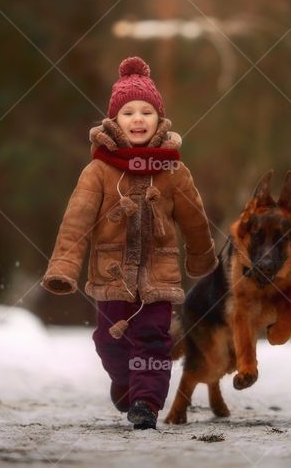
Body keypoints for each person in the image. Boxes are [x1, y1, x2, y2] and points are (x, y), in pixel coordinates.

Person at [42, 56, 218, 430]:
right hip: (111, 277)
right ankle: (125, 384)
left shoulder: (173, 170)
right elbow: (76, 222)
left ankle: (146, 403)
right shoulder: (99, 171)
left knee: (154, 340)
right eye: (128, 112)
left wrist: (202, 259)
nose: (138, 119)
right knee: (109, 342)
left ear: (159, 120)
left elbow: (194, 219)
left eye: (146, 112)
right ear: (114, 121)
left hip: (159, 278)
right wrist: (62, 268)